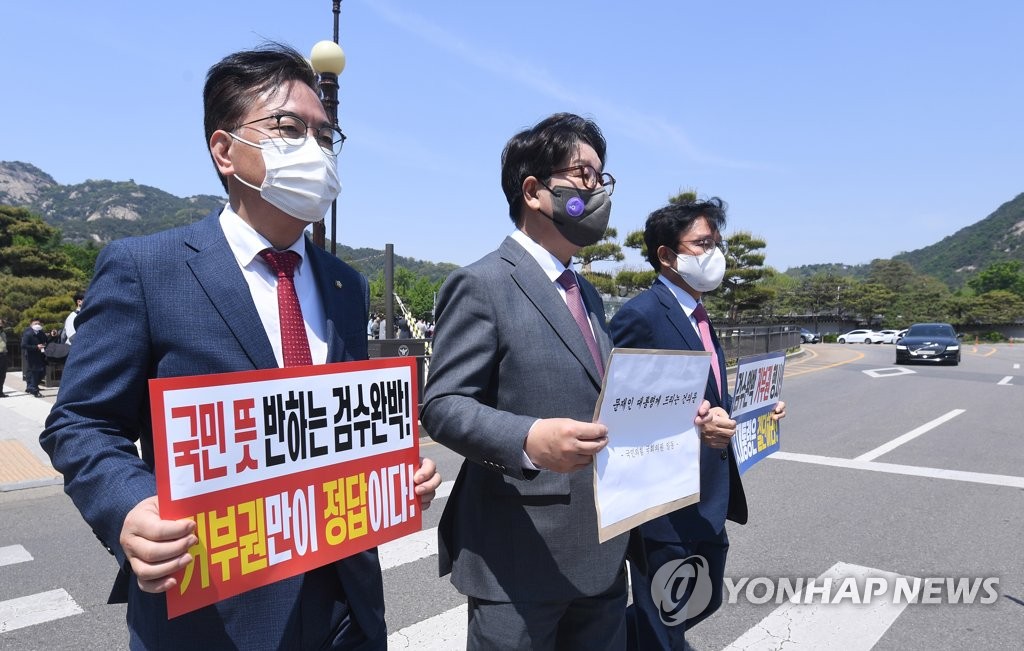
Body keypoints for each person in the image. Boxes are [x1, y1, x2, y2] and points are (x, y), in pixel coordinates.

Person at [40, 43, 441, 650]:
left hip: (344, 609)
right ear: (225, 150)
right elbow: (81, 423)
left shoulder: (345, 286)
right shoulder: (146, 269)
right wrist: (130, 508)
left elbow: (335, 423)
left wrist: (388, 472)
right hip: (216, 611)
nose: (313, 147)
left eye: (323, 135)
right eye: (288, 127)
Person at [421, 112, 632, 650]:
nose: (597, 189)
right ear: (534, 190)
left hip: (603, 549)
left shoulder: (586, 293)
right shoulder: (482, 283)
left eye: (602, 177)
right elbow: (443, 404)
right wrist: (528, 439)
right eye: (584, 175)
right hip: (519, 555)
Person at [609, 198, 786, 650]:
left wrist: (758, 411)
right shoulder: (642, 316)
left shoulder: (698, 314)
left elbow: (708, 398)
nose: (714, 255)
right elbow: (619, 412)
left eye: (717, 243)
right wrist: (694, 429)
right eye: (702, 244)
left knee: (701, 599)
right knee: (666, 614)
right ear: (667, 255)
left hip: (707, 492)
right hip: (664, 501)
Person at [20, 318, 47, 397]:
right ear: (31, 325)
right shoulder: (28, 334)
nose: (37, 325)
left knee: (42, 372)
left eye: (39, 323)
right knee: (34, 372)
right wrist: (36, 347)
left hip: (41, 355)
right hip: (32, 355)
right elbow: (23, 345)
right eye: (35, 324)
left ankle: (31, 387)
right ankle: (34, 390)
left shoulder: (41, 333)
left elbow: (46, 340)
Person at [0, 318, 9, 398]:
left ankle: (0, 392)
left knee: (2, 374)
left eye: (1, 323)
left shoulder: (3, 332)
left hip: (3, 354)